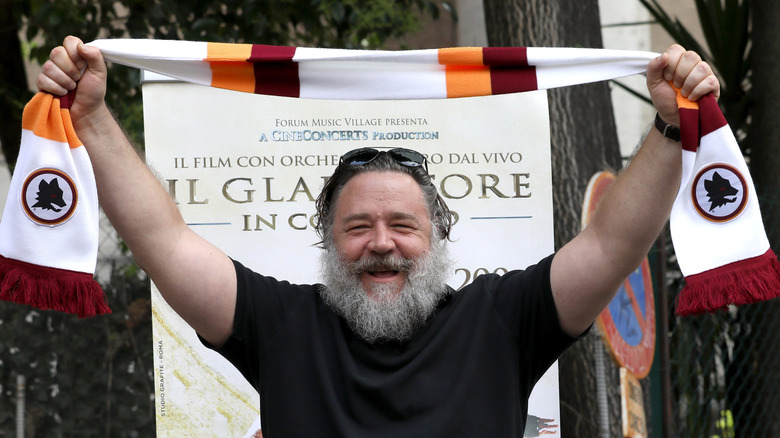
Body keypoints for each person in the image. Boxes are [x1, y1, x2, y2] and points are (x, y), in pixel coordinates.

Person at [38, 36, 719, 437]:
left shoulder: (505, 319)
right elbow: (166, 239)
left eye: (403, 225)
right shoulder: (278, 323)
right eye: (358, 226)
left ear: (438, 239)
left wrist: (668, 129)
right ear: (330, 243)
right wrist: (92, 119)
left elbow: (609, 246)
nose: (382, 243)